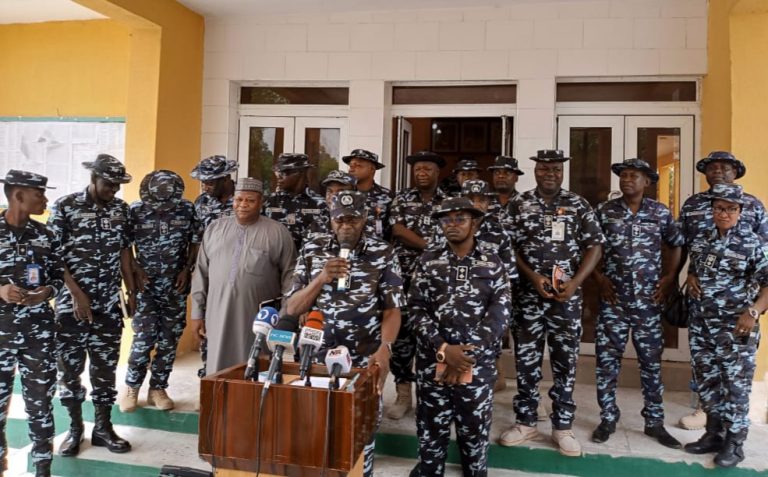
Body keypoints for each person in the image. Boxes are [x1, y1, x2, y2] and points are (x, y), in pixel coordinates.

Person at [286, 190, 403, 477]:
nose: (346, 225)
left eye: (352, 219)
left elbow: (392, 310)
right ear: (331, 220)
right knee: (312, 430)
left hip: (364, 359)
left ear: (365, 219)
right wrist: (321, 278)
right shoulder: (312, 249)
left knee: (361, 434)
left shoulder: (383, 253)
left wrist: (385, 349)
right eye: (340, 219)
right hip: (315, 358)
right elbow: (292, 306)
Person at [501, 149, 604, 457]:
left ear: (562, 172)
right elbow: (509, 247)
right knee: (527, 361)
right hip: (529, 298)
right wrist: (532, 276)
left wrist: (575, 283)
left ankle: (562, 426)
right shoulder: (520, 204)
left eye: (555, 169)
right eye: (544, 168)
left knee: (565, 363)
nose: (550, 173)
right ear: (536, 170)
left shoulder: (578, 205)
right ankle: (526, 420)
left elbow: (595, 246)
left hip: (565, 300)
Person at [408, 197, 511, 477]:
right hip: (433, 363)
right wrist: (443, 348)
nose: (452, 225)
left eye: (460, 219)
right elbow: (415, 308)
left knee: (475, 437)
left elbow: (499, 314)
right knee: (430, 434)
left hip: (475, 366)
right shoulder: (428, 260)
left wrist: (465, 355)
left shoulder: (493, 263)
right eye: (446, 220)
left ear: (474, 223)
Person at [591, 159, 683, 448]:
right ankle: (607, 417)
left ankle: (654, 421)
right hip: (613, 300)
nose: (627, 180)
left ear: (647, 182)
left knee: (651, 364)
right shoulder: (604, 211)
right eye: (624, 175)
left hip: (648, 302)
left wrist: (669, 278)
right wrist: (598, 279)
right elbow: (590, 248)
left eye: (635, 176)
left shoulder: (660, 212)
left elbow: (676, 243)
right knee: (607, 363)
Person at [48, 154, 136, 456]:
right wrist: (77, 294)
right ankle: (75, 430)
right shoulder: (65, 206)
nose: (114, 189)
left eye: (117, 185)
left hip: (108, 305)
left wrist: (131, 291)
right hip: (71, 306)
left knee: (105, 369)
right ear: (93, 179)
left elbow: (126, 252)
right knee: (70, 371)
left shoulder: (121, 210)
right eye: (109, 183)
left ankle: (103, 428)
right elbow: (54, 257)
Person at [677, 151, 768, 430]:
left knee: (736, 382)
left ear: (740, 210)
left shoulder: (753, 236)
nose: (724, 213)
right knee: (707, 377)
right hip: (703, 318)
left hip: (736, 319)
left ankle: (735, 441)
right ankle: (712, 433)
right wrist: (690, 273)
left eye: (730, 209)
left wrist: (753, 311)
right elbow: (693, 256)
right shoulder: (700, 227)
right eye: (719, 208)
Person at [190, 178, 296, 375]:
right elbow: (201, 273)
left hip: (258, 319)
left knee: (255, 366)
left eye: (250, 201)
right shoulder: (215, 228)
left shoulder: (277, 232)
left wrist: (284, 318)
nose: (243, 205)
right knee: (216, 369)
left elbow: (289, 277)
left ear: (260, 202)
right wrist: (197, 313)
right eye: (239, 200)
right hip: (217, 314)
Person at [119, 171, 202, 413]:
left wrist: (187, 269)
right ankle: (132, 387)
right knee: (144, 337)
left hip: (175, 285)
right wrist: (135, 270)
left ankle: (158, 388)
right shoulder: (135, 211)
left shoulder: (186, 209)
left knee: (169, 338)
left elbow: (195, 241)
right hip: (145, 287)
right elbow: (126, 248)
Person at [0, 170, 64, 477]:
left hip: (38, 334)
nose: (45, 199)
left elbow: (57, 280)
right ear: (18, 195)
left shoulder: (45, 235)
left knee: (40, 407)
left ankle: (42, 470)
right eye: (39, 194)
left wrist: (45, 293)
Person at [387, 151, 447, 420]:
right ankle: (403, 394)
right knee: (402, 339)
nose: (422, 173)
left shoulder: (448, 201)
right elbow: (397, 230)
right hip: (404, 279)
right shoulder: (402, 198)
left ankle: (432, 394)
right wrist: (430, 248)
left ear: (437, 172)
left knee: (434, 337)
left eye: (427, 169)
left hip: (437, 283)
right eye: (418, 169)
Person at [460, 179, 518, 393]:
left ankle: (488, 391)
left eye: (481, 200)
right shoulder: (448, 227)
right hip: (454, 306)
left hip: (486, 308)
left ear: (488, 203)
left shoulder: (498, 233)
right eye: (471, 199)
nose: (476, 204)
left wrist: (502, 314)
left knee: (486, 358)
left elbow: (509, 275)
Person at [190, 154, 237, 378]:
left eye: (210, 181)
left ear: (226, 178)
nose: (205, 185)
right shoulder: (201, 203)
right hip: (211, 277)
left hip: (241, 276)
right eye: (203, 181)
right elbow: (197, 242)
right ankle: (209, 382)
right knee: (208, 335)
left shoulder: (244, 199)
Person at [262, 153, 327, 253]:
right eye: (277, 172)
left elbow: (325, 240)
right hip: (274, 261)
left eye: (284, 173)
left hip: (306, 262)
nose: (278, 176)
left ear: (300, 172)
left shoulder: (319, 204)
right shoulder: (269, 202)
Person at [343, 149, 393, 240]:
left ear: (372, 169)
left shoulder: (387, 196)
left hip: (377, 250)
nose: (351, 169)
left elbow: (392, 229)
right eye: (350, 165)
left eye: (358, 165)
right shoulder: (343, 195)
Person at [191, 155, 237, 229]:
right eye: (203, 183)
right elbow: (198, 233)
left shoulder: (245, 199)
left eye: (210, 183)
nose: (205, 188)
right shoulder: (202, 201)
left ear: (226, 179)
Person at [308, 170, 357, 236]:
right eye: (330, 191)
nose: (333, 197)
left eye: (340, 192)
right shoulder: (318, 222)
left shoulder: (362, 221)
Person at [487, 155, 524, 220]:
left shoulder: (524, 202)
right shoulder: (484, 201)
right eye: (497, 172)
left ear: (516, 178)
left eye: (507, 173)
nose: (501, 176)